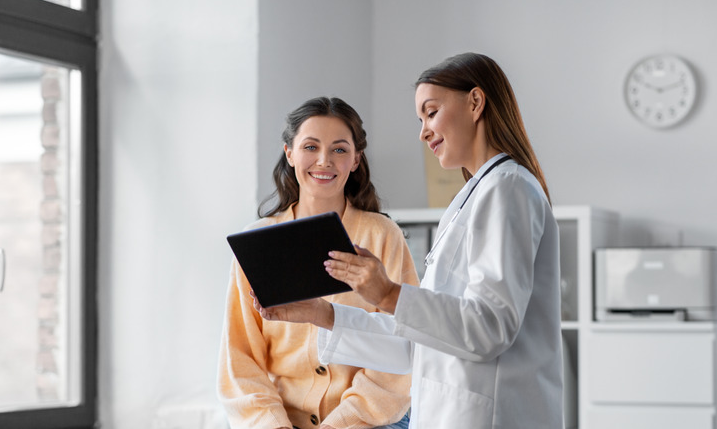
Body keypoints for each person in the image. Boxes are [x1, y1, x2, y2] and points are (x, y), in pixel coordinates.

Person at [254, 53, 563, 428]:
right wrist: (321, 313)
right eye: (421, 119)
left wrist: (388, 293)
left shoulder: (508, 189)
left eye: (431, 113)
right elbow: (418, 345)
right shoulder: (474, 196)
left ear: (476, 102)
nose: (423, 132)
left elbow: (490, 328)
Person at [218, 97, 418, 429]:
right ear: (290, 153)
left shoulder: (383, 236)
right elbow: (239, 360)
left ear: (356, 159)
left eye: (339, 150)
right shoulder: (257, 243)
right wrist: (274, 424)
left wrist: (340, 424)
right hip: (280, 419)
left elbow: (403, 351)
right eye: (311, 146)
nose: (324, 161)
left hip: (371, 420)